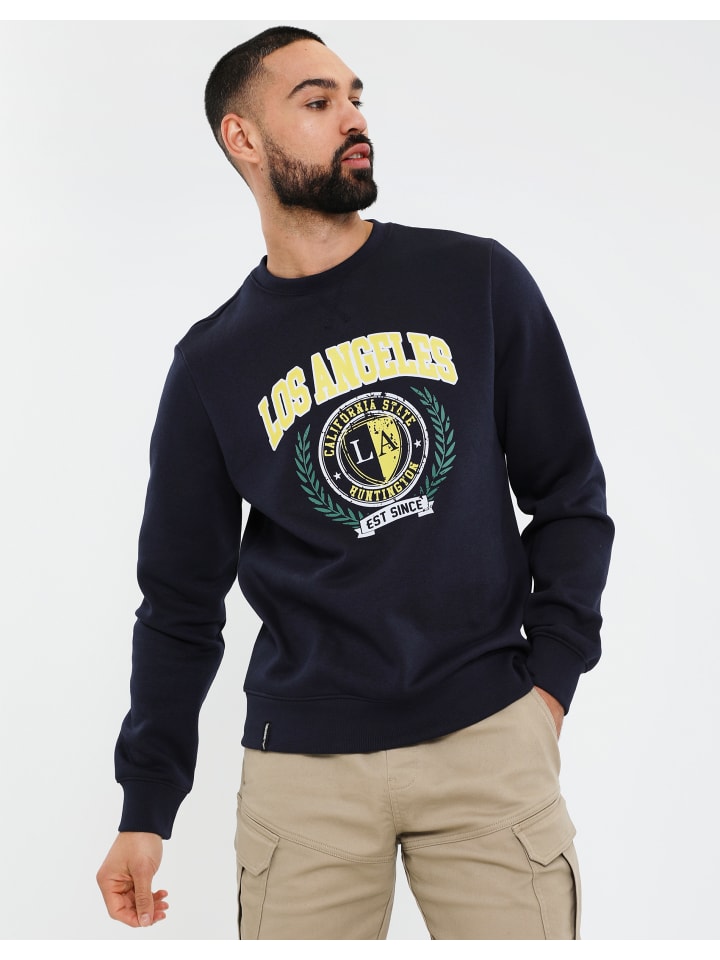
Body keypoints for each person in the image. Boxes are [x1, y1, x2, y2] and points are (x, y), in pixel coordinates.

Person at [96, 25, 614, 940]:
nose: (354, 118)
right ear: (243, 138)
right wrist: (146, 806)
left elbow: (569, 492)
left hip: (488, 737)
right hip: (303, 774)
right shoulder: (213, 364)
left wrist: (551, 683)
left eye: (356, 97)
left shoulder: (475, 279)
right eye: (318, 101)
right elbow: (179, 603)